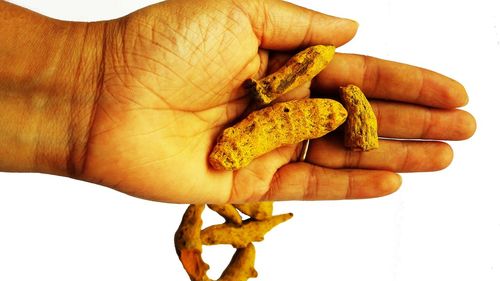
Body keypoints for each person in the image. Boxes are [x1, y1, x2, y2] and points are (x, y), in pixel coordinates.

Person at [0, 0, 476, 203]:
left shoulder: (331, 107)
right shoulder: (313, 102)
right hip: (267, 110)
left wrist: (77, 83)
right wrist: (88, 71)